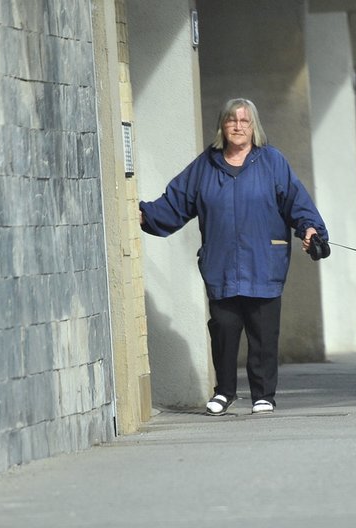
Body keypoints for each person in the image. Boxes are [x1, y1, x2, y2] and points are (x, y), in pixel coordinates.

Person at [139, 97, 328, 416]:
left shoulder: (272, 162)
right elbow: (175, 203)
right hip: (222, 263)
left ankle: (263, 394)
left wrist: (310, 230)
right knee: (224, 329)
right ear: (222, 126)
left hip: (264, 260)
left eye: (244, 121)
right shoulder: (205, 165)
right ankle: (224, 391)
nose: (238, 126)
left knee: (263, 333)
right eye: (231, 120)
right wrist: (141, 214)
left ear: (254, 128)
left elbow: (297, 203)